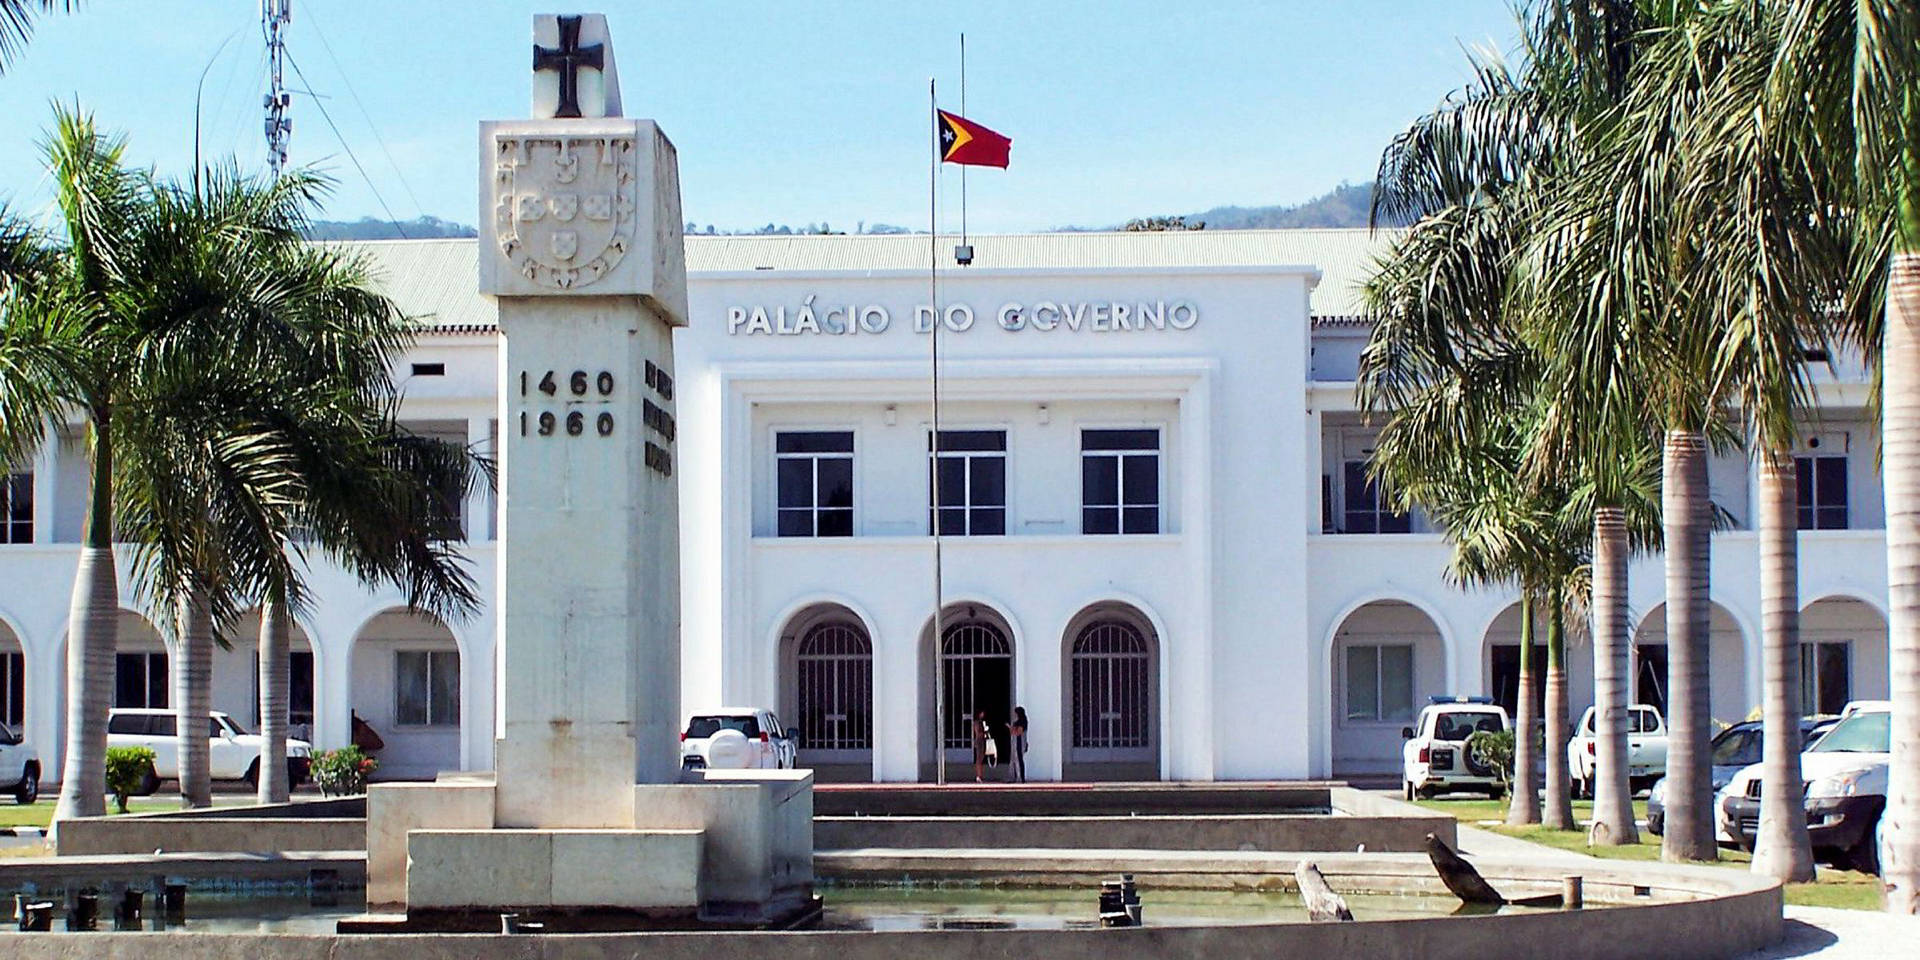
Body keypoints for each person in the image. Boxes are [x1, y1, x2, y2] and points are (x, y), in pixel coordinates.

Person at [1009, 706, 1029, 783]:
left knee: (1019, 760)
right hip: (1015, 743)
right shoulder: (1016, 722)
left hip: (1019, 743)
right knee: (1014, 760)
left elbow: (1018, 733)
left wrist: (1011, 728)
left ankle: (1020, 777)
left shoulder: (1022, 722)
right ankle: (1014, 776)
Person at [971, 709, 989, 782]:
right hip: (979, 741)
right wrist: (985, 732)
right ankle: (978, 775)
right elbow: (978, 733)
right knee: (979, 759)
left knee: (981, 758)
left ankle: (980, 775)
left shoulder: (981, 722)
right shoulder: (977, 722)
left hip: (982, 741)